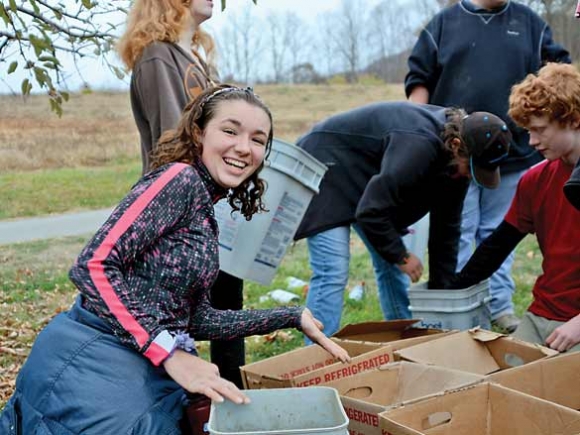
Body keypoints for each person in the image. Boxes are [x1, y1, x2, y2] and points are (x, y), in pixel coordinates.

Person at [0, 86, 350, 435]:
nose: (244, 147)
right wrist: (168, 353)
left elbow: (193, 320)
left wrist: (290, 316)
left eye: (258, 139)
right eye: (230, 131)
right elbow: (94, 265)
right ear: (199, 133)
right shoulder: (178, 179)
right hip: (95, 359)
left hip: (131, 357)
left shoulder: (203, 204)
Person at [405, 0, 571, 333]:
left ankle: (498, 306)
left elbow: (559, 77)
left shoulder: (530, 23)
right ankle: (461, 311)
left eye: (541, 129)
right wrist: (417, 133)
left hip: (513, 160)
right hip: (458, 156)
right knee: (461, 232)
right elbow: (418, 80)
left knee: (496, 230)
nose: (535, 138)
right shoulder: (443, 23)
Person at [293, 101, 512, 340]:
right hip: (324, 163)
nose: (470, 176)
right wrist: (401, 255)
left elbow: (446, 230)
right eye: (471, 169)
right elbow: (371, 213)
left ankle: (405, 338)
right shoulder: (418, 145)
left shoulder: (456, 163)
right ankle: (317, 356)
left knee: (391, 265)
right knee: (332, 270)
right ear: (457, 145)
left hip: (364, 181)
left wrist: (443, 291)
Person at [117, 0, 246, 387]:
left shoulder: (192, 57)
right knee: (176, 326)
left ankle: (231, 407)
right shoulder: (158, 58)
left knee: (227, 308)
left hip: (212, 208)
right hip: (180, 217)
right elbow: (174, 145)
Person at [448, 63, 580, 352]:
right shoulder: (535, 180)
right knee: (506, 380)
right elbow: (497, 247)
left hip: (577, 323)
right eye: (528, 131)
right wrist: (451, 292)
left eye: (540, 130)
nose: (532, 142)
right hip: (543, 314)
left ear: (573, 120)